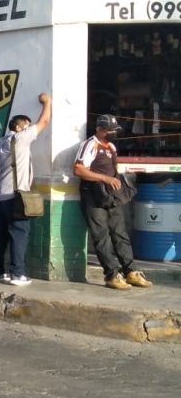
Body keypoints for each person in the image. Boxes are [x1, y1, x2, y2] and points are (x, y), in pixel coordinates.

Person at [0, 93, 52, 286]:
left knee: (0, 235)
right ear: (19, 128)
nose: (29, 129)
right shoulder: (20, 138)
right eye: (27, 126)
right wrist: (47, 102)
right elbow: (44, 121)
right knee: (19, 234)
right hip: (16, 196)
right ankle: (17, 274)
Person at [74, 114, 152, 290]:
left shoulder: (111, 147)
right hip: (93, 196)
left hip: (111, 196)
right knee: (101, 236)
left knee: (120, 234)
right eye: (109, 130)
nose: (113, 133)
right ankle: (112, 274)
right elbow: (78, 170)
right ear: (99, 130)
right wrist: (105, 178)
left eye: (115, 130)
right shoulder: (90, 145)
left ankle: (131, 271)